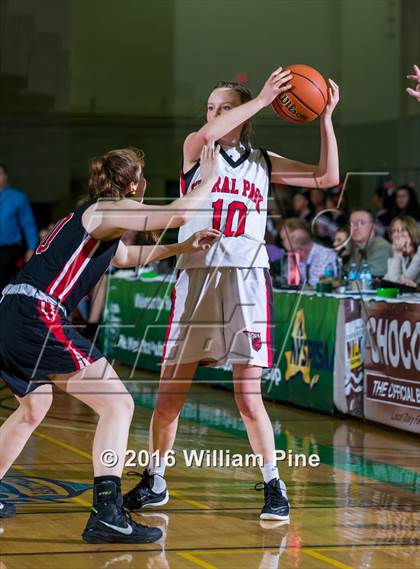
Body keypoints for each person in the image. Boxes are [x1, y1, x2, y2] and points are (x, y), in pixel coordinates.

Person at [123, 67, 340, 523]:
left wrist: (325, 118)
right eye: (211, 107)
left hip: (246, 277)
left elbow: (326, 177)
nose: (215, 115)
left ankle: (273, 485)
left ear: (242, 117)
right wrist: (260, 99)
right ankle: (156, 479)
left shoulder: (262, 160)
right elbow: (206, 134)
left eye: (225, 107)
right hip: (197, 276)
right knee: (169, 395)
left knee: (247, 396)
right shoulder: (196, 149)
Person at [0, 143, 221, 543]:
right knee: (119, 404)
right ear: (135, 182)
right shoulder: (107, 208)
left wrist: (180, 248)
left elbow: (122, 257)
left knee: (35, 407)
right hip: (36, 313)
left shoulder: (92, 215)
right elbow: (179, 213)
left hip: (10, 310)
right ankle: (107, 512)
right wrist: (209, 178)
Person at [0, 163, 38, 291]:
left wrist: (31, 247)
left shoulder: (17, 198)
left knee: (5, 282)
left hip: (9, 250)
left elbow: (28, 224)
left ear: (5, 176)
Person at [280, 218, 338, 285]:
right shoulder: (291, 259)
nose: (291, 238)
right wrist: (293, 267)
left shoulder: (327, 254)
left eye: (292, 232)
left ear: (305, 230)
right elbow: (291, 287)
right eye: (284, 238)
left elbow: (324, 285)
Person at [348, 209, 392, 277]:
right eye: (351, 224)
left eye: (361, 223)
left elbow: (370, 275)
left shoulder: (382, 247)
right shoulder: (357, 250)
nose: (355, 228)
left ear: (373, 226)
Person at [384, 215, 420, 286]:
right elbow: (387, 280)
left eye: (403, 230)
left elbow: (397, 283)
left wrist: (397, 254)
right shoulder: (405, 257)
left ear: (412, 232)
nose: (397, 235)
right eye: (394, 231)